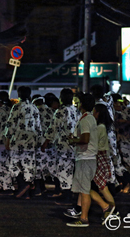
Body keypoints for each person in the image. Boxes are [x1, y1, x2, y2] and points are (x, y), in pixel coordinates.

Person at [64, 93, 107, 228]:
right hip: (88, 158)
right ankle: (106, 207)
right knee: (85, 188)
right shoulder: (89, 118)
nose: (75, 104)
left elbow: (85, 139)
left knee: (84, 190)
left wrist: (73, 140)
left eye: (77, 102)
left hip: (85, 158)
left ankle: (84, 219)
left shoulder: (85, 119)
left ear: (82, 103)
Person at [5, 86, 41, 199]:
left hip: (18, 139)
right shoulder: (34, 107)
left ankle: (23, 185)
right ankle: (27, 193)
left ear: (19, 94)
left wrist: (7, 139)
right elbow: (38, 126)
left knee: (13, 163)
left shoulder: (17, 107)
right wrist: (38, 140)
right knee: (28, 165)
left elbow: (11, 124)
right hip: (31, 139)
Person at [43, 88, 78, 203]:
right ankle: (72, 195)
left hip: (63, 145)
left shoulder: (60, 111)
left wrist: (46, 142)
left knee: (63, 170)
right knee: (72, 171)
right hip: (75, 144)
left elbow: (53, 128)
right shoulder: (75, 110)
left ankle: (66, 195)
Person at [91, 104, 117, 223]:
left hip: (98, 158)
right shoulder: (103, 126)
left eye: (94, 111)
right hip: (102, 157)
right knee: (103, 187)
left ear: (98, 113)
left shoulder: (99, 127)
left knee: (99, 187)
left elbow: (94, 144)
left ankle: (110, 209)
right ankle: (112, 211)